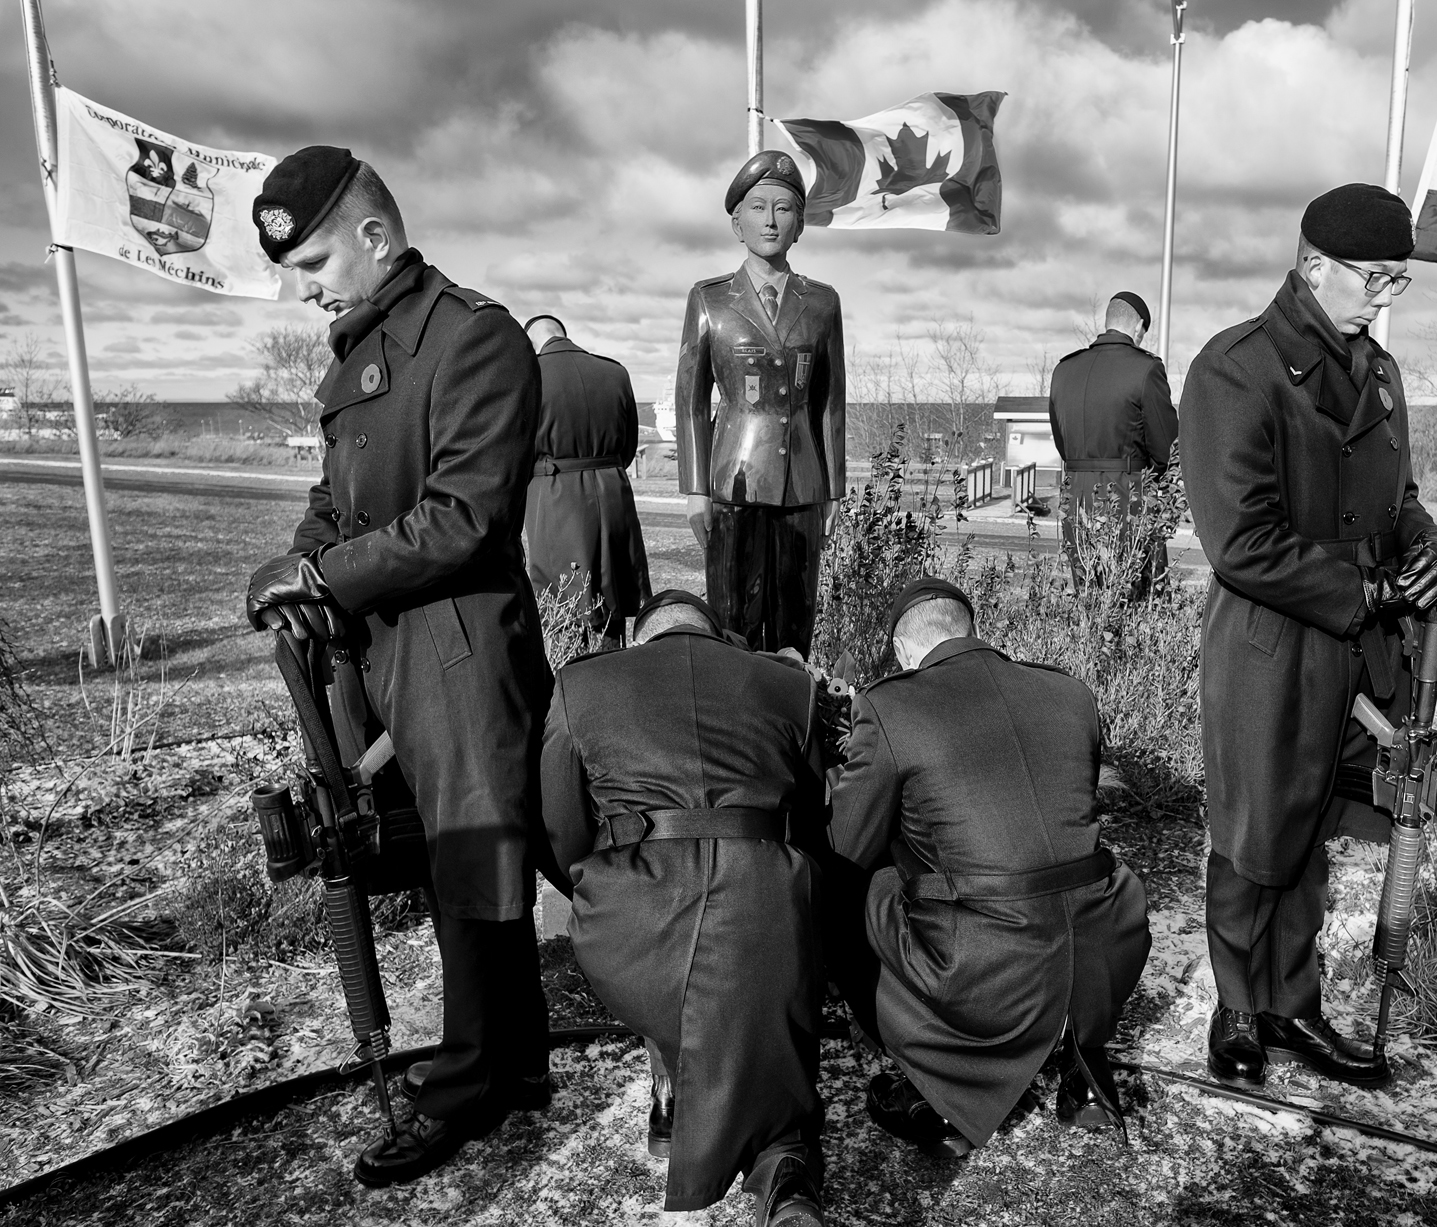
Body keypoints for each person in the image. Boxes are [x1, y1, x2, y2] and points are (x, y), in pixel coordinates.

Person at [242, 147, 554, 1186]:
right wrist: (298, 562)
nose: (304, 289)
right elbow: (335, 499)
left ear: (376, 237)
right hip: (385, 644)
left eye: (315, 262)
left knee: (474, 853)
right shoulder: (358, 354)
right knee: (451, 853)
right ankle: (517, 1059)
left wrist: (326, 578)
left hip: (459, 642)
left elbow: (464, 517)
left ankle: (467, 1084)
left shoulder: (472, 337)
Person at [1178, 183, 1437, 1093]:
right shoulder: (1236, 369)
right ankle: (1237, 1005)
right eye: (1373, 277)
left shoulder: (1381, 374)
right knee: (1255, 832)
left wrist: (1436, 549)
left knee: (1311, 837)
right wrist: (1368, 588)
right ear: (1313, 265)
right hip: (1273, 647)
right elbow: (1241, 541)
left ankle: (1291, 1004)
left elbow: (1400, 502)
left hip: (1362, 654)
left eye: (1396, 281)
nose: (1383, 297)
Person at [829, 578, 1151, 1157]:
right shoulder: (1069, 692)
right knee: (1057, 867)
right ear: (972, 630)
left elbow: (847, 844)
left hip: (987, 967)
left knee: (859, 887)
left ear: (902, 650)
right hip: (1107, 941)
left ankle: (941, 1088)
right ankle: (1085, 1063)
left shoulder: (888, 705)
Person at [539, 590, 828, 1227]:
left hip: (632, 921)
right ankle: (786, 1169)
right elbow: (811, 827)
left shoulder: (582, 684)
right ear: (719, 637)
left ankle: (670, 1095)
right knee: (772, 959)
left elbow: (561, 827)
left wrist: (596, 887)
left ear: (637, 641)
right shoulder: (788, 685)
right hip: (761, 901)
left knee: (667, 967)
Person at [674, 150, 846, 656]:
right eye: (757, 207)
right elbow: (691, 399)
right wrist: (696, 489)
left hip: (803, 486)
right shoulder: (710, 299)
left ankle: (794, 704)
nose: (770, 220)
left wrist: (834, 490)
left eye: (784, 208)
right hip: (735, 481)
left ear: (800, 226)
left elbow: (831, 400)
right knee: (734, 626)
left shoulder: (822, 302)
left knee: (796, 628)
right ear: (737, 223)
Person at [520, 313, 653, 645]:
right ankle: (612, 665)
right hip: (613, 493)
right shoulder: (615, 372)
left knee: (562, 606)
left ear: (531, 343)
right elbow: (628, 448)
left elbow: (518, 451)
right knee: (611, 602)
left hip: (554, 499)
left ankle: (569, 675)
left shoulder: (529, 375)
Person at [1048, 291, 1179, 596]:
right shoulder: (1146, 369)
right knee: (1139, 601)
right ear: (1139, 327)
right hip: (1128, 496)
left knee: (1090, 600)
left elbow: (1062, 444)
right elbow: (1167, 451)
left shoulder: (1064, 370)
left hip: (1076, 499)